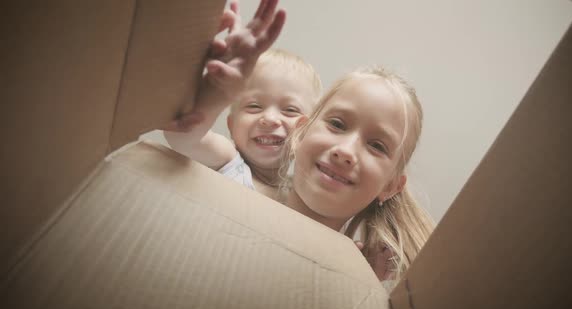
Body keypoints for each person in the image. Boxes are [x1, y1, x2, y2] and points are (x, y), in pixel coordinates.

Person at [279, 66, 434, 284]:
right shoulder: (234, 179)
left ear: (390, 186)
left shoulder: (359, 280)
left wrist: (361, 283)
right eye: (337, 124)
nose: (345, 152)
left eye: (377, 146)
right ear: (300, 133)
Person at [164, 0, 322, 200]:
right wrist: (218, 89)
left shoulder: (302, 197)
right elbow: (182, 138)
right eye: (254, 106)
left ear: (309, 131)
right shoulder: (228, 161)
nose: (270, 118)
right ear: (232, 125)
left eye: (290, 110)